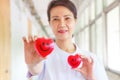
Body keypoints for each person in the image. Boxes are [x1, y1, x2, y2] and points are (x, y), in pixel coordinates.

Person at [23, 0, 109, 80]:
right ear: (50, 23)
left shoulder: (90, 60)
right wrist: (32, 64)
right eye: (55, 19)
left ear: (75, 20)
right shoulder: (43, 57)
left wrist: (91, 77)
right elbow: (35, 69)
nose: (62, 24)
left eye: (67, 18)